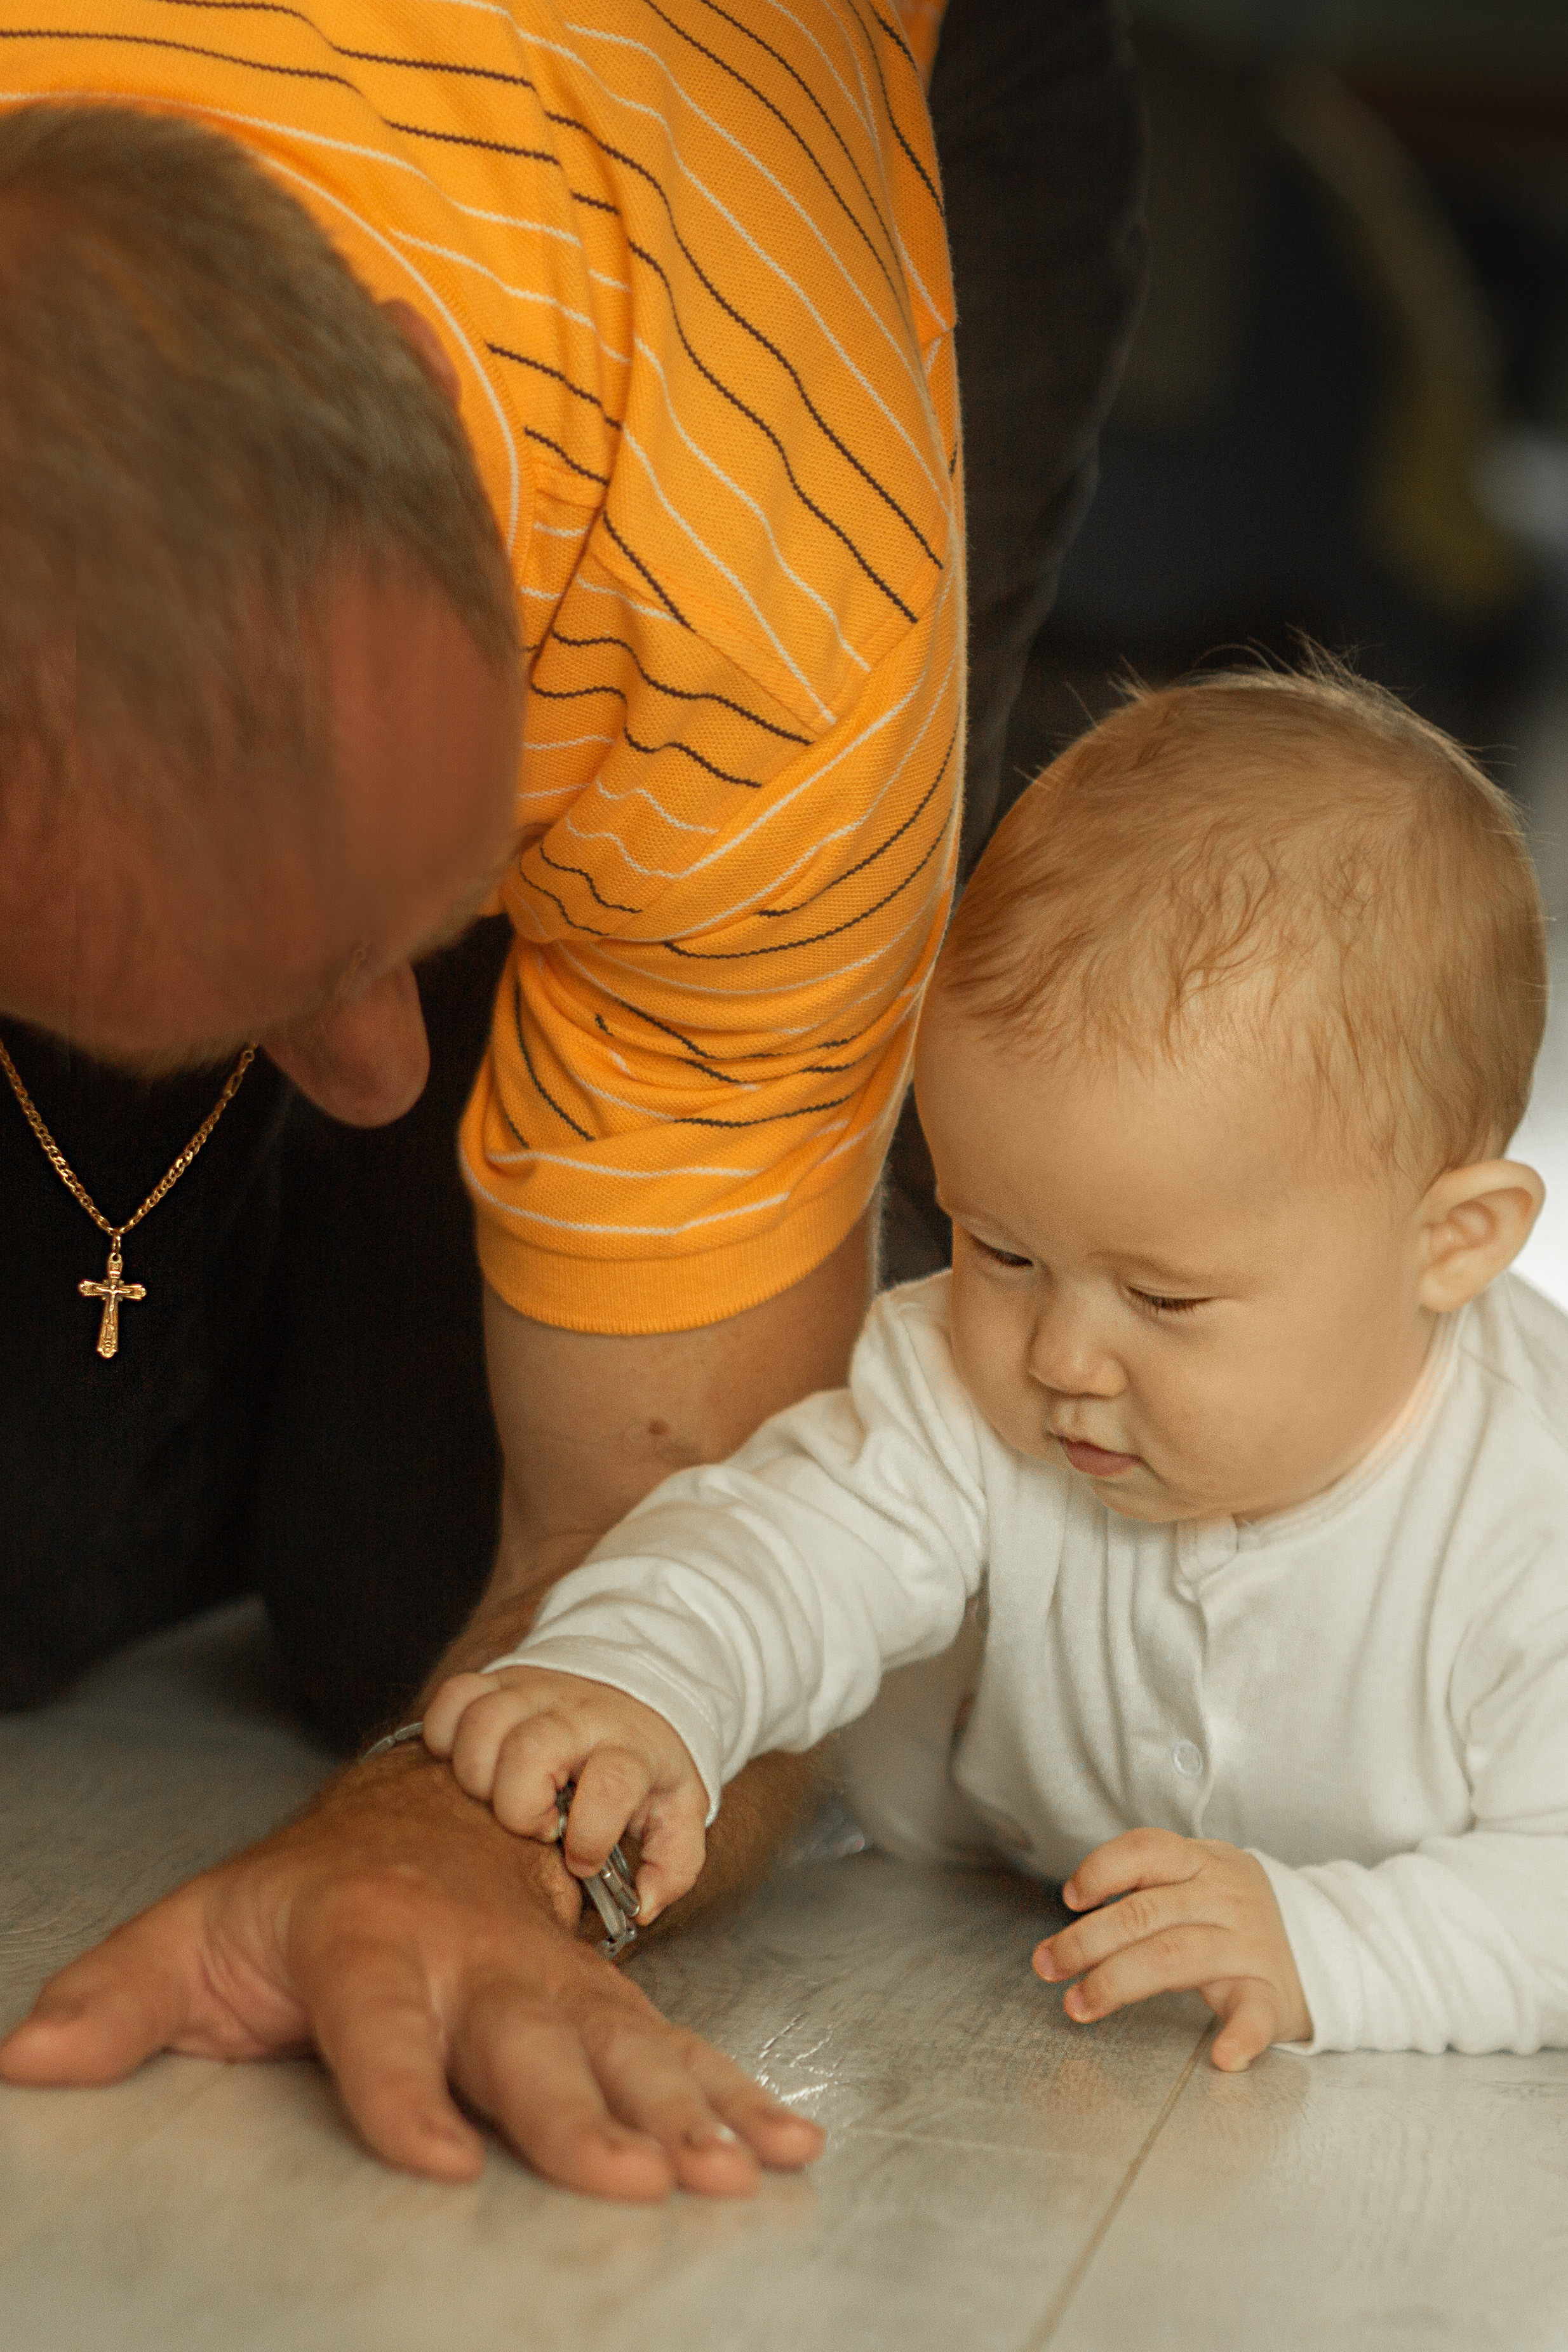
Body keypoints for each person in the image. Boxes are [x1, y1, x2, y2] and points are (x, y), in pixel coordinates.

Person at [0, 3, 1147, 2199]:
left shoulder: (764, 544)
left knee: (419, 1598)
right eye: (271, 987)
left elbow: (701, 1574)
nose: (380, 1076)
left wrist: (464, 1838)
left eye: (395, 931)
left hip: (806, 112)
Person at [422, 662, 1568, 2069]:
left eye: (1162, 1294)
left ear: (1450, 1243)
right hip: (932, 1834)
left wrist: (1322, 1944)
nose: (1059, 1351)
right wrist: (643, 1680)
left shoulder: (1528, 1511)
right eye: (998, 1248)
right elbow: (788, 1541)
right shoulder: (967, 1375)